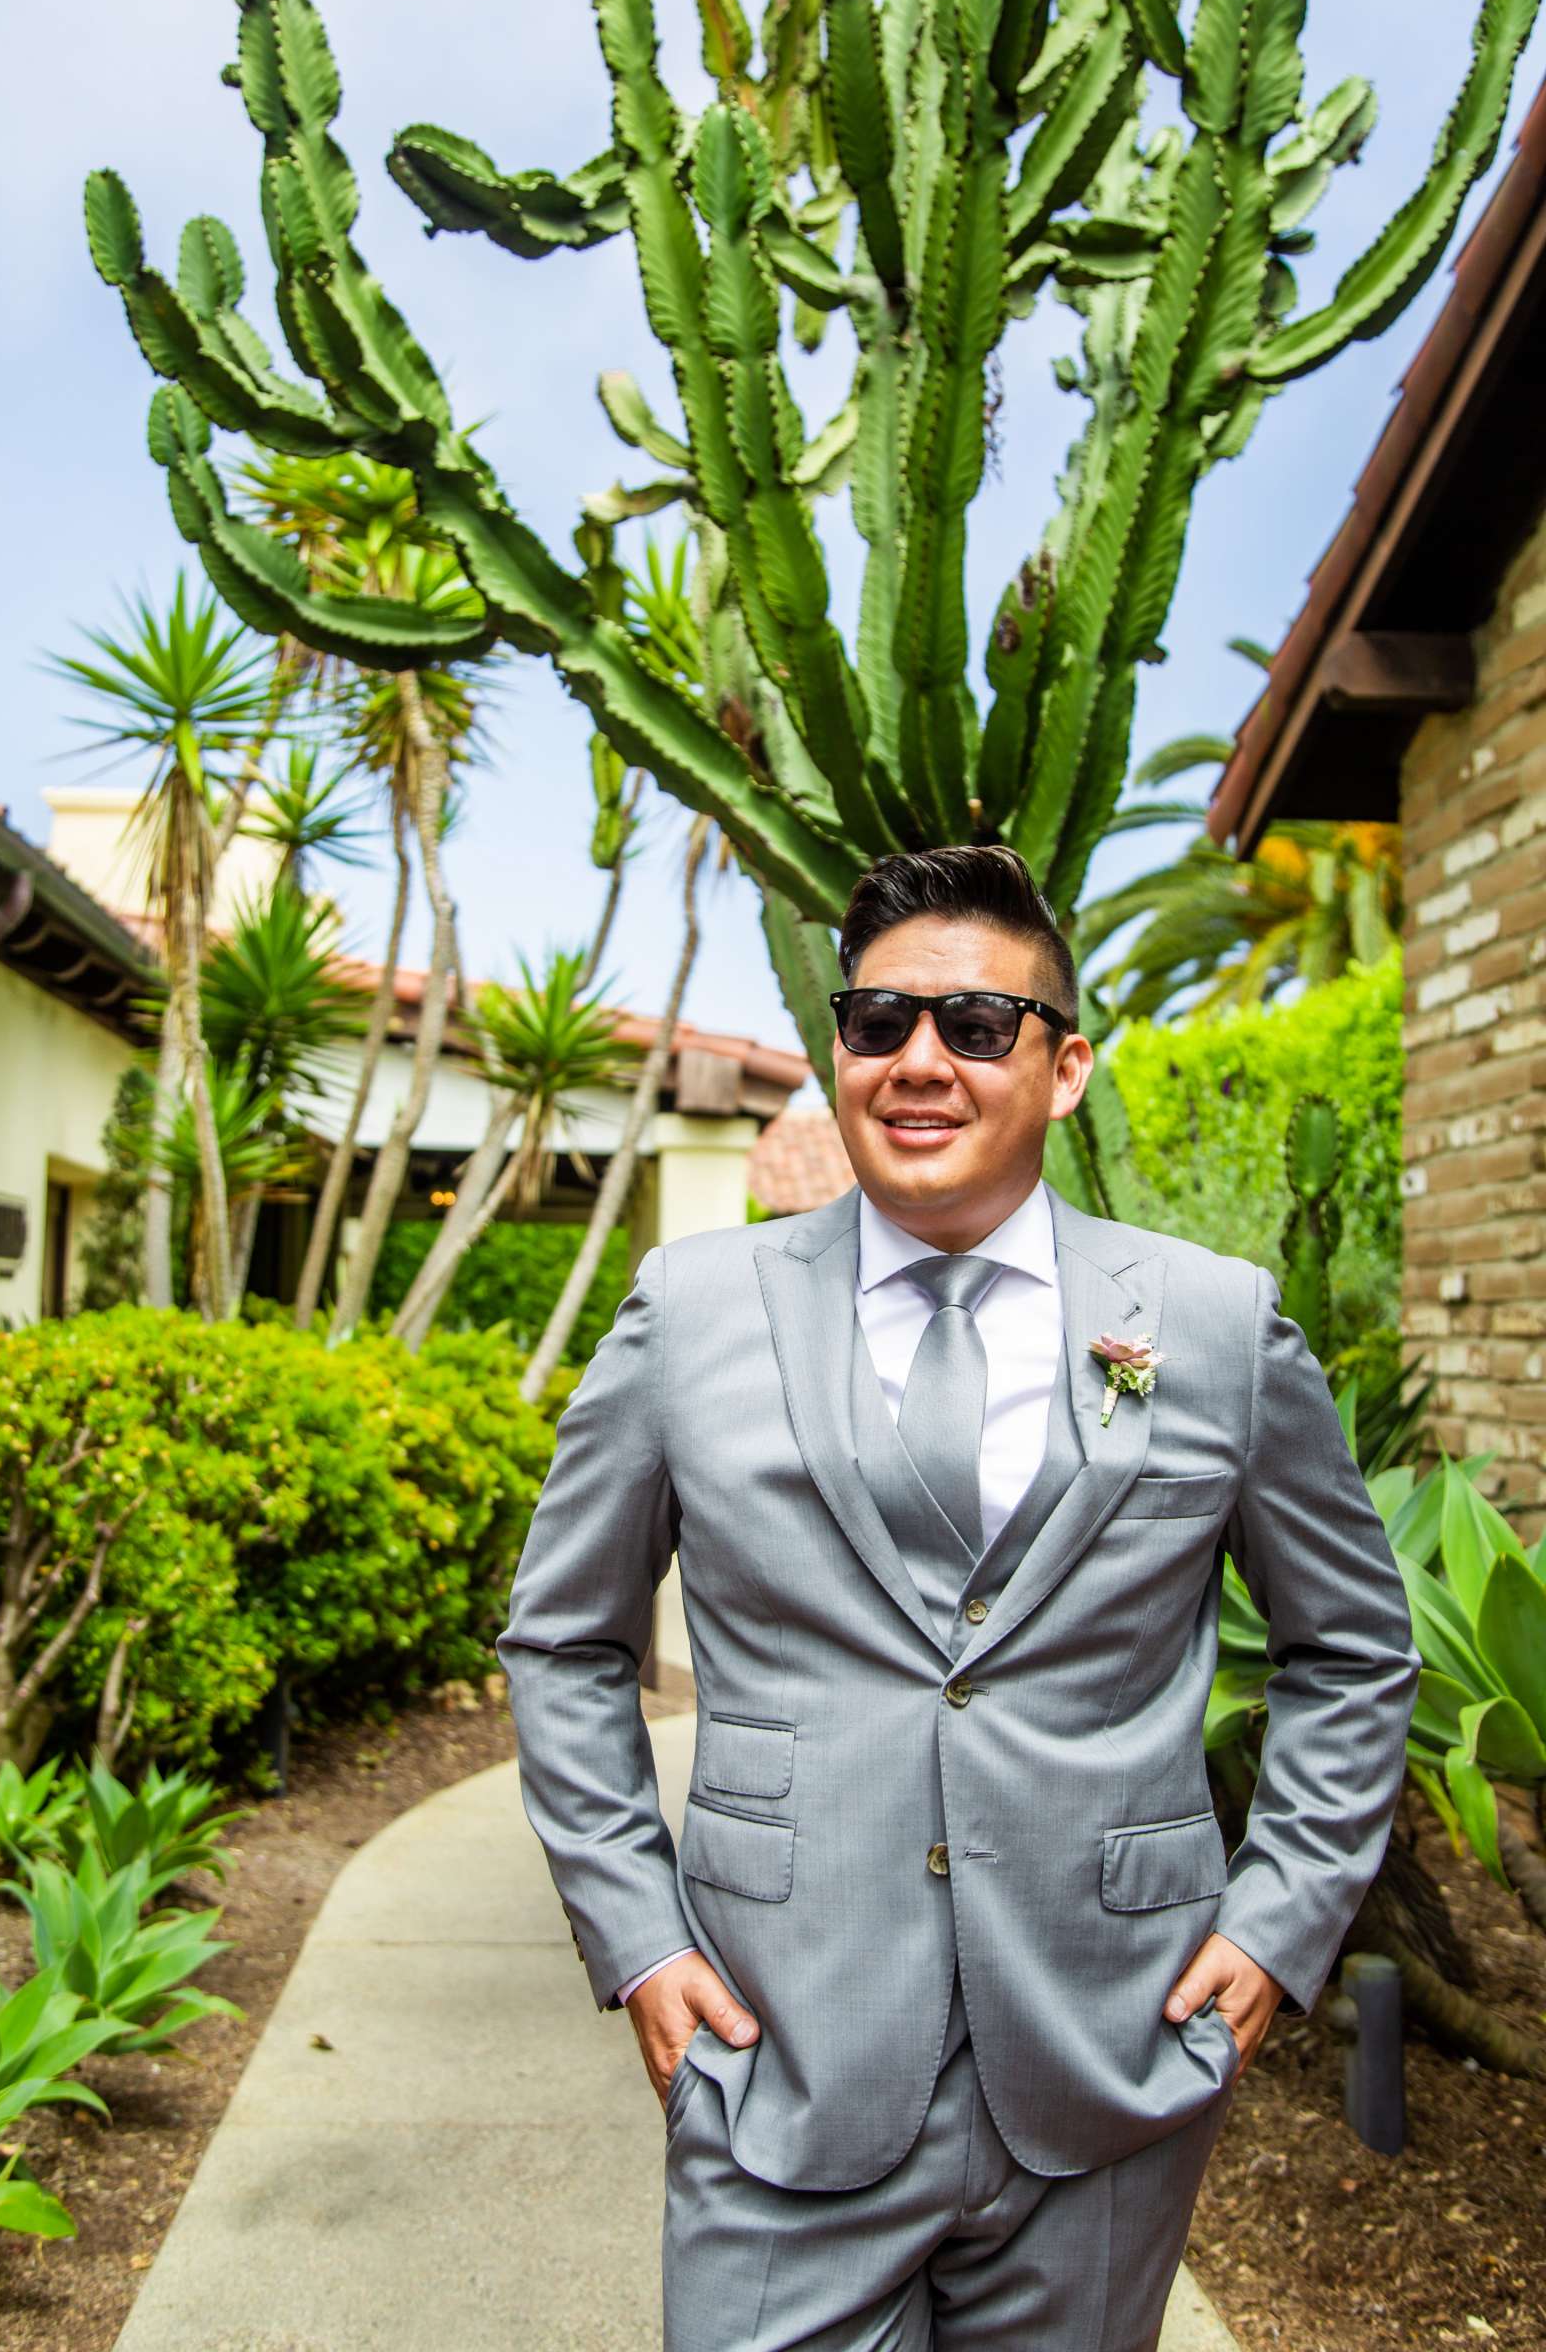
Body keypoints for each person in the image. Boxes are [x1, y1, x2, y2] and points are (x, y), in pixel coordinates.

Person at [497, 842, 1420, 2350]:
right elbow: (565, 1634)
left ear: (1062, 1072)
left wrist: (1277, 1920)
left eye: (977, 1028)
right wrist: (637, 1935)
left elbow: (1353, 1645)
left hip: (1111, 2058)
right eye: (877, 1025)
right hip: (778, 2056)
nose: (920, 1063)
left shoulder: (1211, 1326)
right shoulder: (692, 1314)